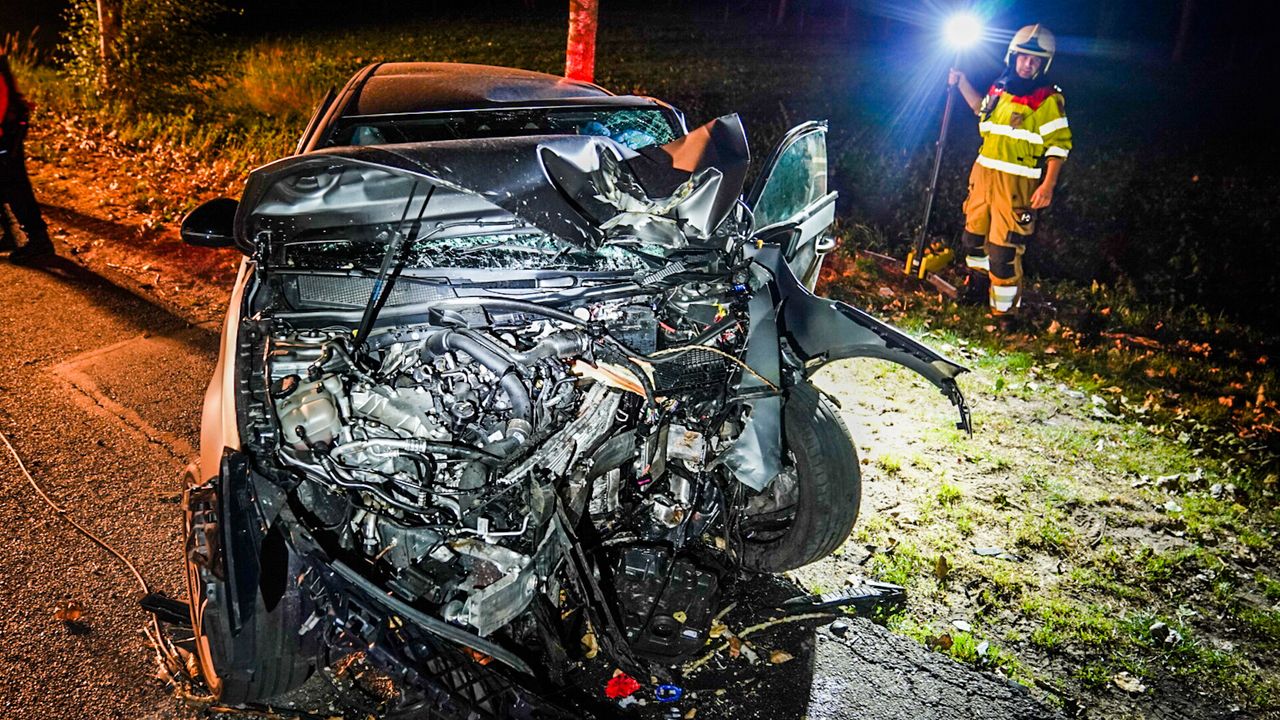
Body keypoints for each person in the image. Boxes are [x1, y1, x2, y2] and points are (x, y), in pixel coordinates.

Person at [949, 24, 1071, 324]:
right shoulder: (999, 88)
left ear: (1043, 65)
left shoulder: (1047, 99)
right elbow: (982, 111)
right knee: (972, 240)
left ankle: (1004, 315)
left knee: (1004, 252)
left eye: (1035, 60)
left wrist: (1048, 184)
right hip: (983, 175)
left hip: (1016, 185)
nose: (1028, 64)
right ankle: (977, 287)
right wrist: (962, 82)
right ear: (1013, 56)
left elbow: (1059, 146)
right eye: (1024, 57)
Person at [1, 53, 55, 263]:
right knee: (9, 187)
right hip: (8, 132)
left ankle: (39, 242)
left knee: (15, 188)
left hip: (5, 136)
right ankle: (11, 235)